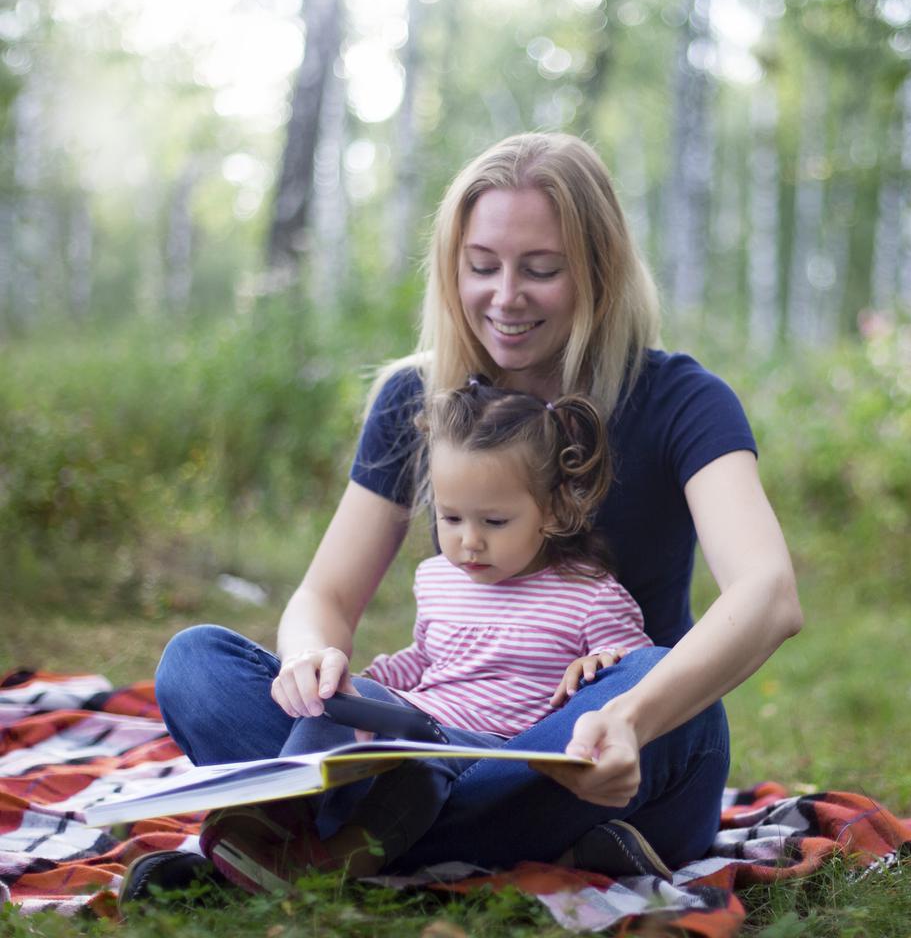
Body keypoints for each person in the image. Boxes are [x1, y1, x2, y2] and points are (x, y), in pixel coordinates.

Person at [135, 131, 802, 899]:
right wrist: (309, 659)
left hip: (604, 749)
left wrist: (632, 715)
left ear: (601, 271)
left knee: (656, 674)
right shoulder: (415, 401)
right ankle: (443, 846)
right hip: (438, 740)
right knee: (197, 666)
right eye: (482, 266)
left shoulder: (685, 401)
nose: (505, 295)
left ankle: (325, 847)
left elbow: (768, 594)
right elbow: (325, 598)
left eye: (541, 270)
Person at [195, 379, 654, 893]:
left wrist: (599, 664)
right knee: (233, 668)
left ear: (553, 511)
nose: (469, 540)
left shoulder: (589, 594)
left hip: (495, 758)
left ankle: (335, 862)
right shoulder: (438, 577)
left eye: (495, 521)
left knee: (417, 761)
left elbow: (638, 673)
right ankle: (275, 821)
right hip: (412, 729)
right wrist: (354, 681)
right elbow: (428, 659)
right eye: (451, 517)